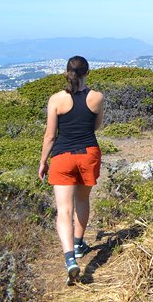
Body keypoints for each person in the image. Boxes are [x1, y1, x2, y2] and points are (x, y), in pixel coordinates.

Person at [38, 56, 104, 285]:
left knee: (63, 210)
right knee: (82, 201)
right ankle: (78, 244)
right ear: (87, 72)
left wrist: (43, 162)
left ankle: (70, 259)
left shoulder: (56, 99)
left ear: (66, 72)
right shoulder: (97, 97)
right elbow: (96, 125)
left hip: (63, 157)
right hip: (89, 154)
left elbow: (49, 136)